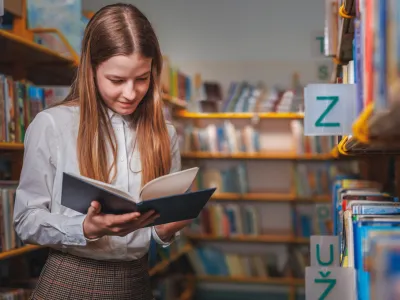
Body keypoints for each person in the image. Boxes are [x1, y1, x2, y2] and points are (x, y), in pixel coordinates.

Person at [13, 3, 190, 300]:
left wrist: (166, 228)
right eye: (117, 80)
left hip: (136, 281)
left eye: (142, 78)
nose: (130, 93)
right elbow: (25, 220)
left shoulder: (165, 134)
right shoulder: (53, 125)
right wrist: (85, 227)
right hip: (70, 281)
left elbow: (154, 229)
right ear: (91, 69)